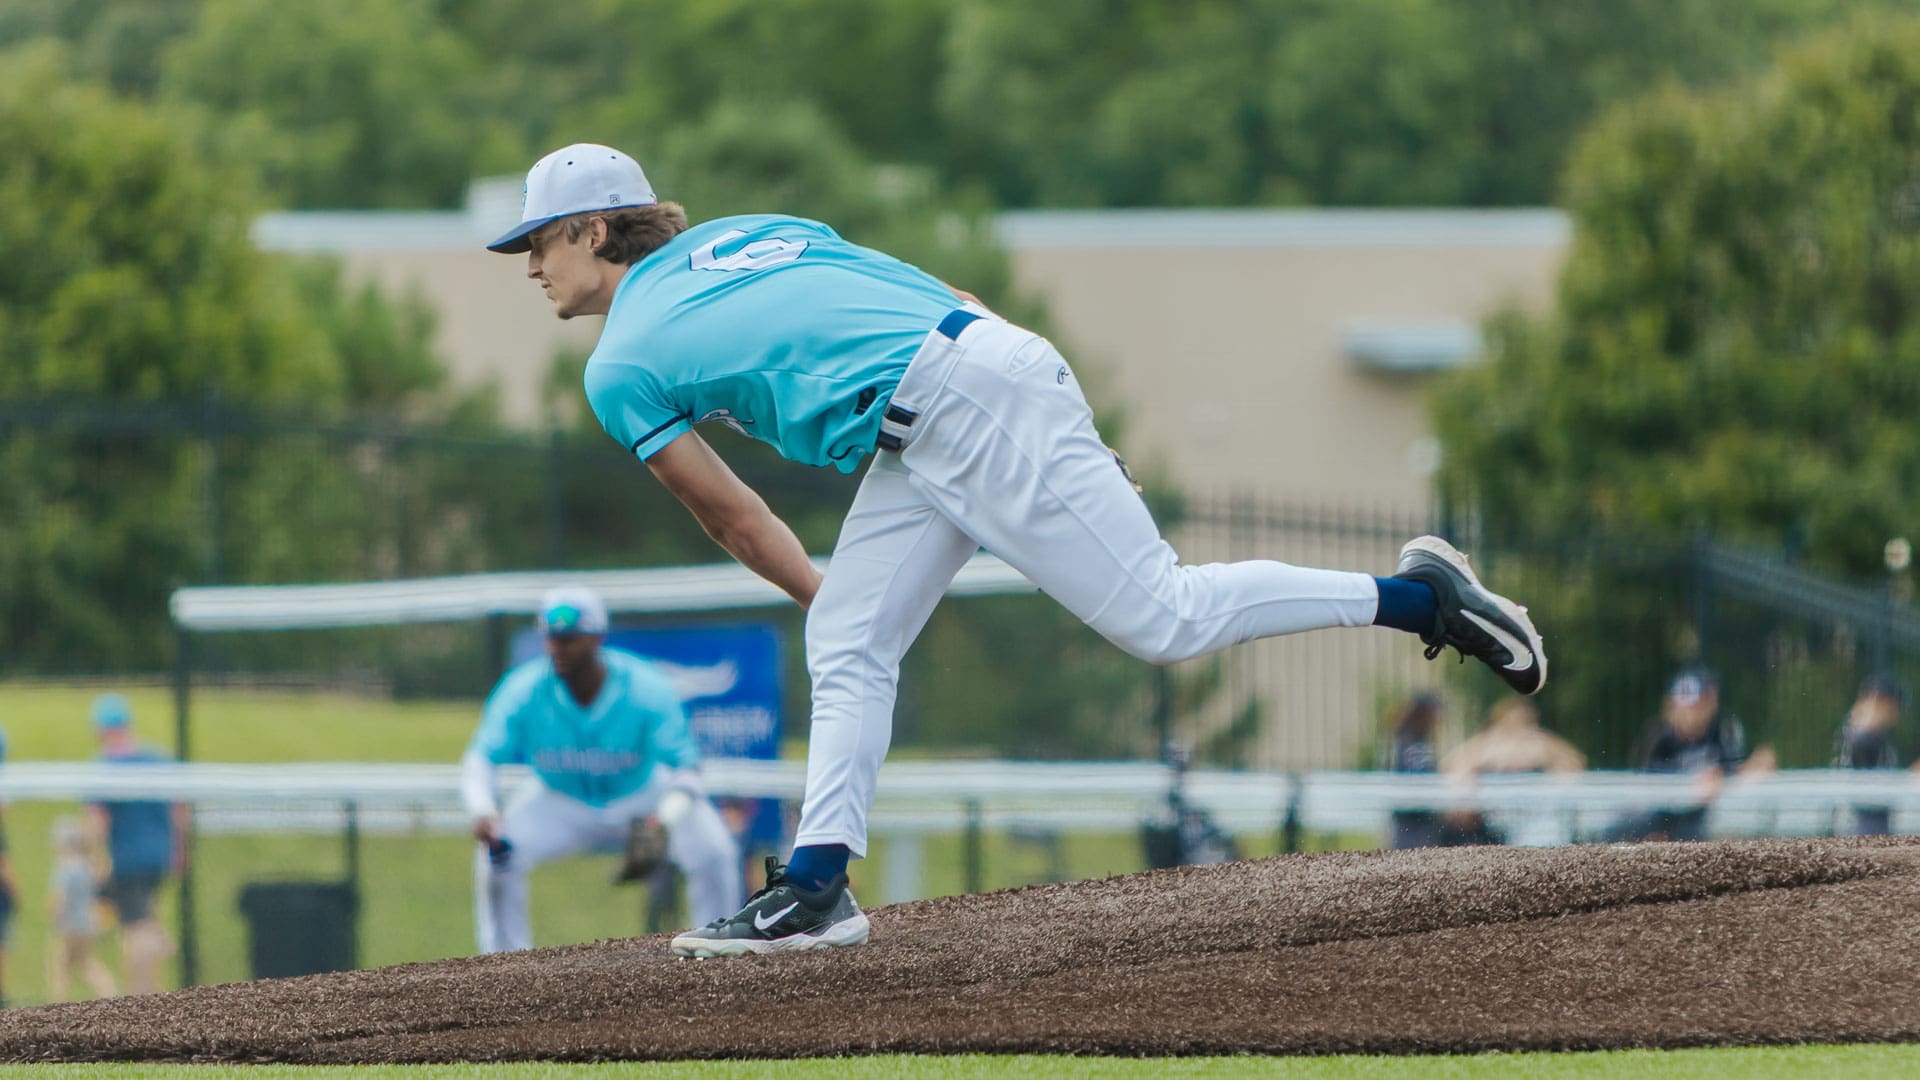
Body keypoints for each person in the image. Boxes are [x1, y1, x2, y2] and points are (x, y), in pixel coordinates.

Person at [485, 143, 1548, 956]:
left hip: (955, 408)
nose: (529, 265)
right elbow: (947, 299)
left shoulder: (619, 360)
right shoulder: (751, 232)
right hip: (955, 394)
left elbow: (734, 517)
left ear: (594, 229)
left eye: (537, 240)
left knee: (1161, 617)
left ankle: (1423, 599)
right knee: (854, 639)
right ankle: (815, 885)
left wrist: (819, 586)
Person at [463, 586, 743, 953]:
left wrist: (664, 820)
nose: (558, 649)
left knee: (714, 849)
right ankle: (500, 966)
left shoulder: (645, 686)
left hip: (640, 793)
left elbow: (686, 769)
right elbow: (480, 757)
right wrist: (483, 810)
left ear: (597, 637)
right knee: (498, 853)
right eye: (552, 638)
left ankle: (721, 953)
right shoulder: (524, 688)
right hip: (558, 797)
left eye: (570, 639)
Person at [88, 694, 184, 995]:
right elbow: (179, 810)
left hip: (129, 858)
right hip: (160, 855)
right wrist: (179, 850)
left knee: (136, 926)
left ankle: (142, 997)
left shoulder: (106, 766)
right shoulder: (157, 759)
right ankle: (155, 978)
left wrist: (96, 862)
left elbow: (96, 821)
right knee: (147, 917)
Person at [1607, 668, 1762, 843]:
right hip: (1662, 816)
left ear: (1711, 704)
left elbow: (1744, 769)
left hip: (1705, 818)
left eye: (1696, 707)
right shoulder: (1658, 736)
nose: (1688, 715)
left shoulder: (1725, 731)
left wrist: (1723, 776)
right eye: (1682, 707)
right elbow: (1646, 786)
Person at [1442, 697, 1585, 846]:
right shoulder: (1487, 745)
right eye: (1511, 723)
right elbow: (1452, 766)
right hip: (1492, 820)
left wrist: (1553, 786)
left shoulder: (1542, 744)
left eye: (1523, 723)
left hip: (1534, 820)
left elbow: (1574, 763)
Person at [46, 816, 116, 1002]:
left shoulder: (63, 867)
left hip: (69, 924)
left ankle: (57, 1003)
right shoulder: (87, 866)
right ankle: (109, 994)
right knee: (87, 962)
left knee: (60, 965)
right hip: (89, 923)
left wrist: (54, 914)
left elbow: (61, 897)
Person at [1832, 670, 1906, 835]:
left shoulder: (1879, 738)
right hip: (1857, 832)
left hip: (1875, 829)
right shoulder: (1858, 734)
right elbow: (1860, 744)